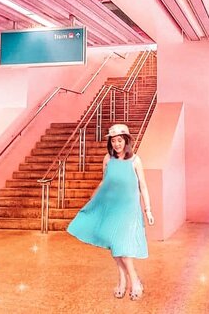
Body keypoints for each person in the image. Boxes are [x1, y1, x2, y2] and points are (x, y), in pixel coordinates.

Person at [67, 123, 154, 300]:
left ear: (126, 141)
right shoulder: (108, 159)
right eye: (113, 141)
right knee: (115, 245)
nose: (116, 144)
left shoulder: (135, 161)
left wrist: (148, 210)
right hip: (112, 207)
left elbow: (142, 186)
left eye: (119, 140)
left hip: (129, 209)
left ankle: (135, 281)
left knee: (122, 246)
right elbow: (104, 183)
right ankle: (122, 279)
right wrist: (92, 201)